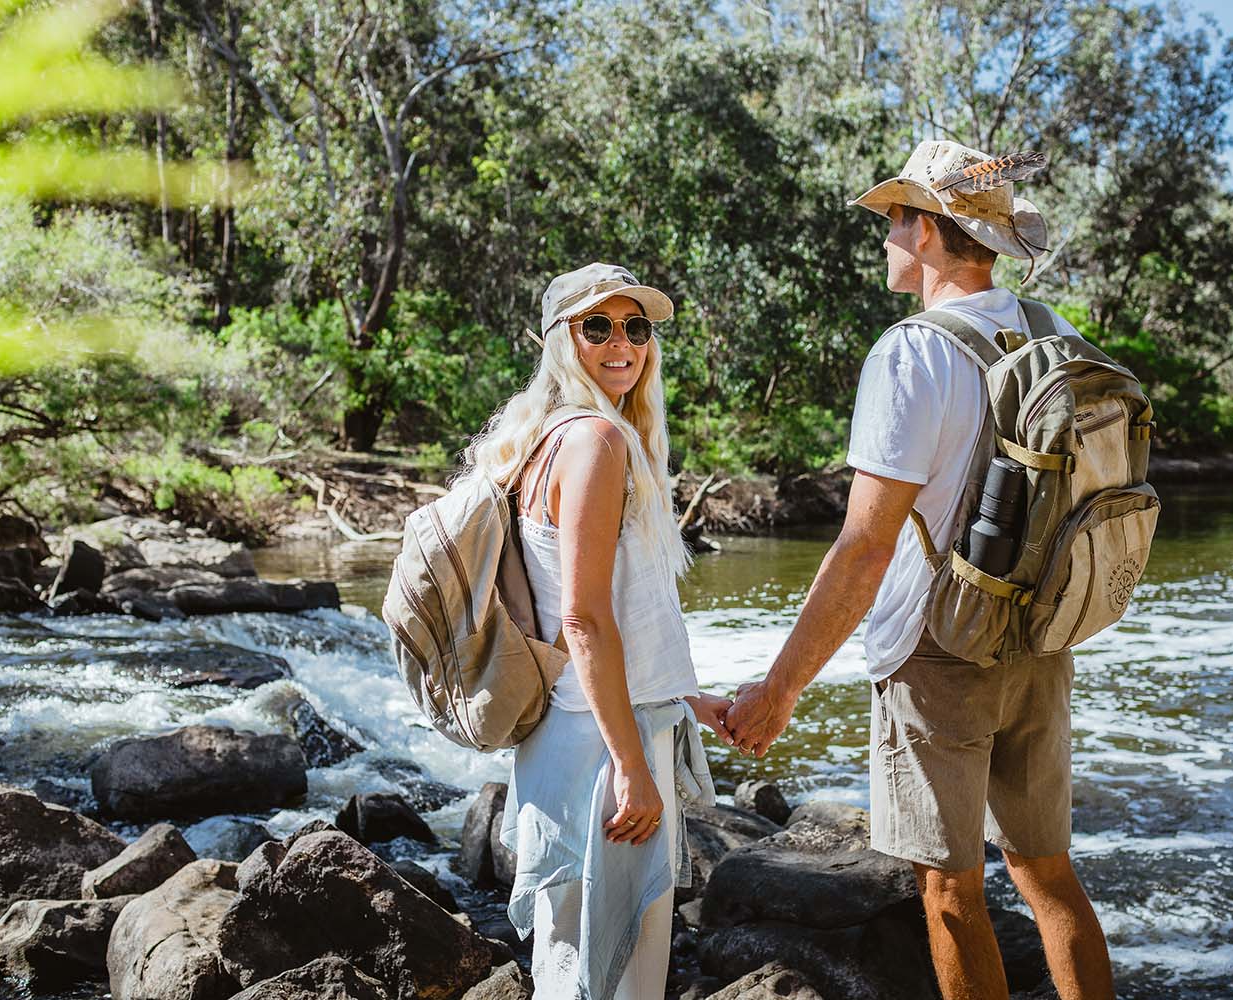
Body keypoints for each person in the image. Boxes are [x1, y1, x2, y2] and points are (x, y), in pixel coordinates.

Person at [723, 140, 1116, 1000]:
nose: (885, 237)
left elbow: (865, 547)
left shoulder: (911, 352)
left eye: (894, 218)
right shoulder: (1060, 334)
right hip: (1042, 635)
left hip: (939, 653)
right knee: (1048, 875)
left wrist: (779, 691)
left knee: (949, 890)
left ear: (931, 231)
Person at [465, 262, 733, 999]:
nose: (623, 343)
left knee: (576, 967)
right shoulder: (594, 443)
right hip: (600, 748)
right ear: (560, 340)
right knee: (615, 974)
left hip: (573, 733)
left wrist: (686, 699)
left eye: (636, 327)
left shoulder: (547, 438)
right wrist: (631, 765)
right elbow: (583, 619)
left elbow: (592, 611)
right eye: (598, 326)